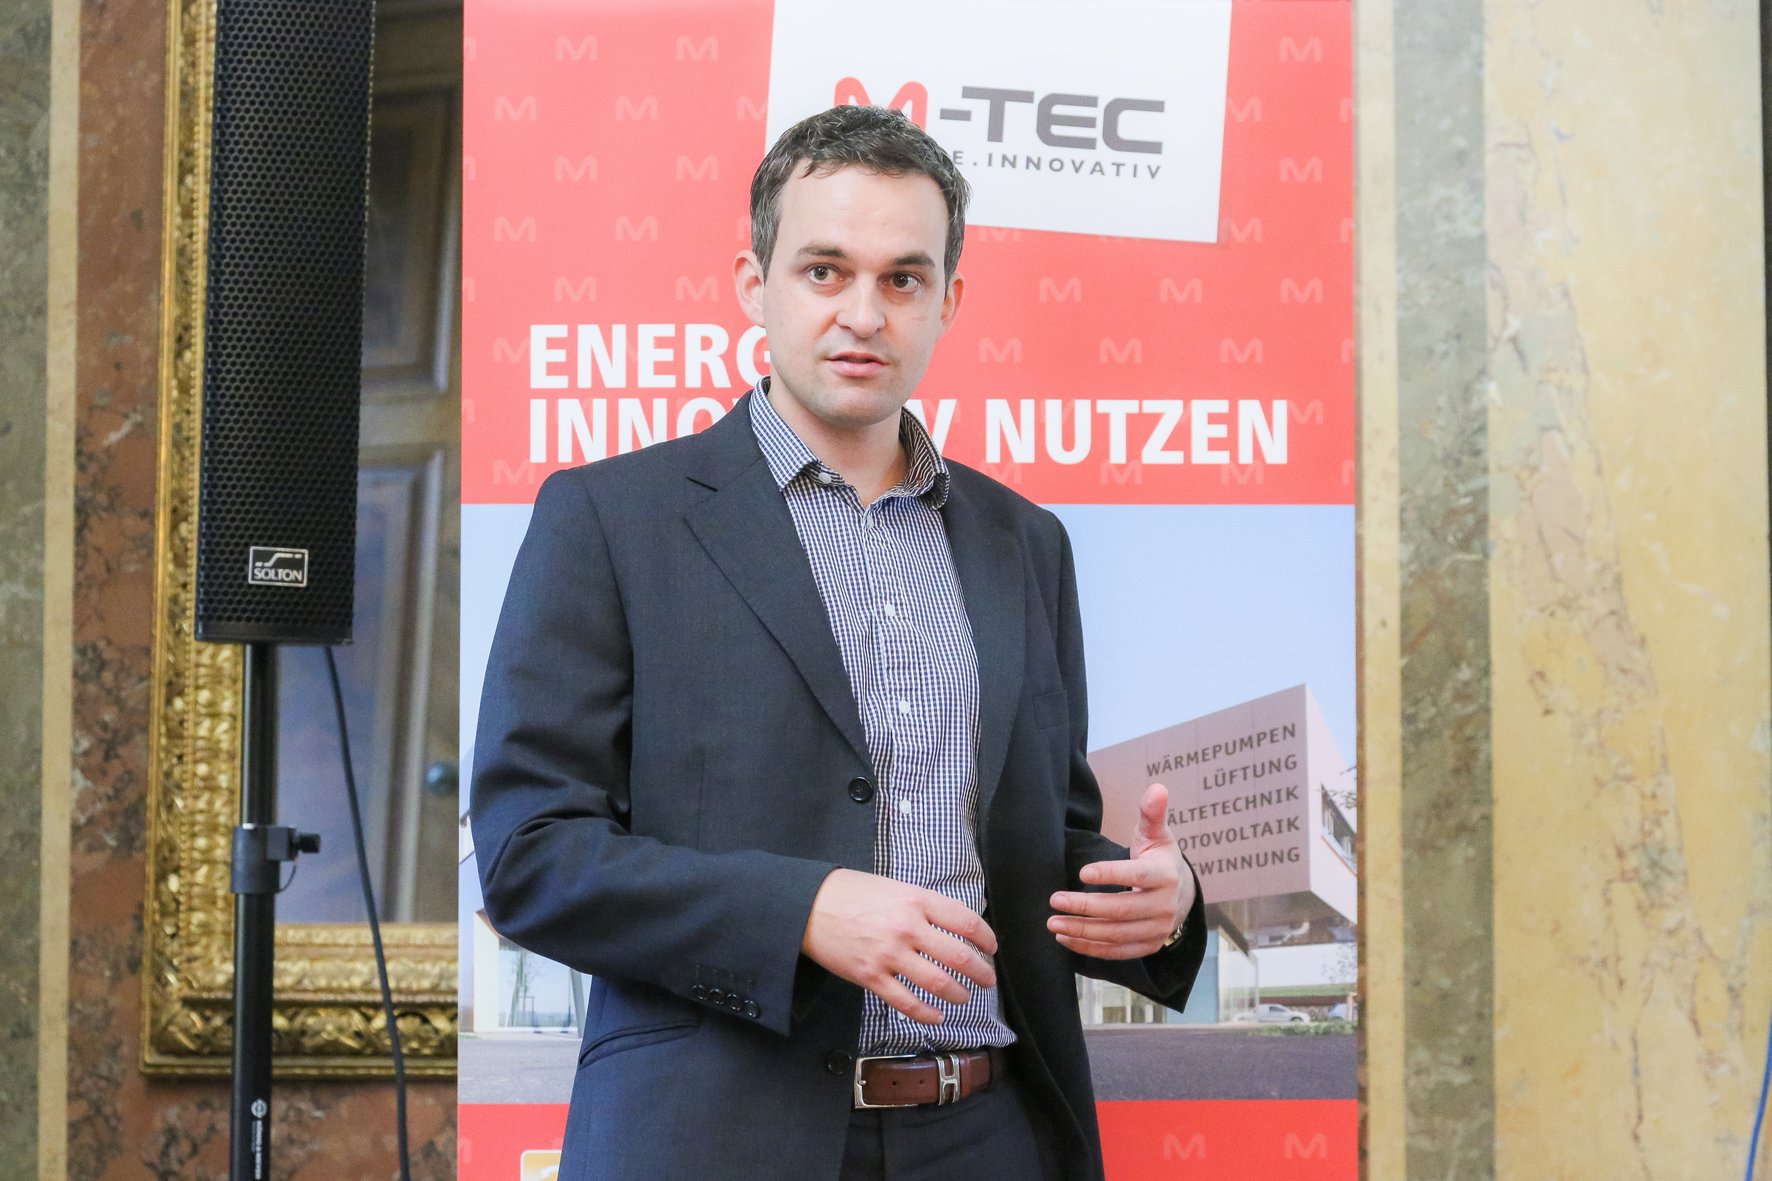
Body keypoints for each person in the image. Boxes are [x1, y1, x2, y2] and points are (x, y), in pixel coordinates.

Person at [471, 104, 1206, 1181]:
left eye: (903, 279)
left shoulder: (1024, 543)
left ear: (948, 301)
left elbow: (1033, 842)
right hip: (717, 1141)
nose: (863, 314)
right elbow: (530, 853)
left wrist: (1151, 901)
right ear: (752, 281)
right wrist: (800, 910)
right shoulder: (610, 519)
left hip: (989, 1134)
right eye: (824, 271)